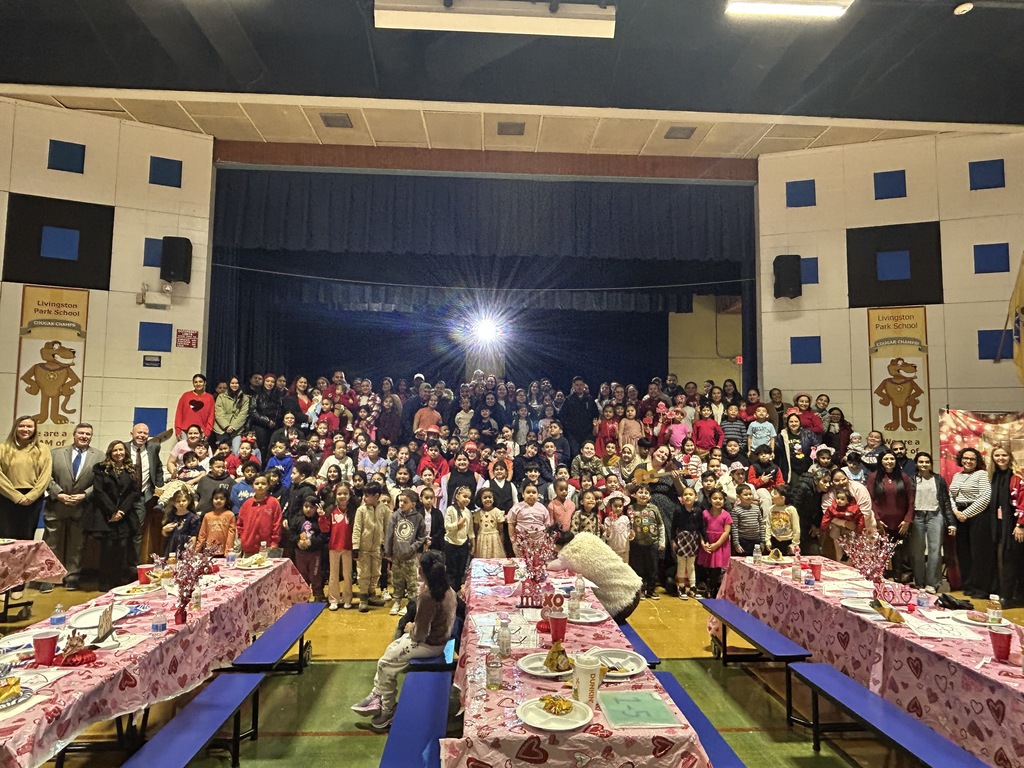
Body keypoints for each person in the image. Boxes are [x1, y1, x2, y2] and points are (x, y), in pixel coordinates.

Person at [351, 550, 457, 731]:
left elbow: (420, 633)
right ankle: (377, 694)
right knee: (392, 648)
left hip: (430, 645)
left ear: (422, 571)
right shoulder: (448, 590)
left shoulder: (428, 595)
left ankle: (387, 709)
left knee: (385, 663)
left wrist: (410, 628)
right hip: (438, 640)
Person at [44, 422, 103, 591]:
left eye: (88, 434)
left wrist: (85, 495)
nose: (84, 436)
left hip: (81, 507)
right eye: (81, 433)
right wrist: (58, 493)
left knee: (77, 545)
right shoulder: (55, 453)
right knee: (51, 543)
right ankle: (49, 577)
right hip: (56, 505)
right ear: (74, 434)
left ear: (91, 437)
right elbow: (46, 477)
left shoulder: (99, 456)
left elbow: (100, 481)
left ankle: (72, 577)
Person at [0, 416, 52, 599]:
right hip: (7, 499)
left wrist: (31, 496)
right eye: (22, 426)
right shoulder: (4, 448)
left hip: (32, 500)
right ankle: (4, 584)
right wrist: (15, 496)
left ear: (34, 429)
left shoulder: (42, 449)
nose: (26, 429)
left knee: (25, 542)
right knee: (7, 544)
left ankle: (19, 584)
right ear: (16, 427)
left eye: (29, 426)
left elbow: (45, 476)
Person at [548, 528, 643, 623]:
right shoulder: (585, 536)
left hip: (622, 602)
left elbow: (550, 566)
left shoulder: (568, 555)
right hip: (634, 584)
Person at [84, 440, 140, 591]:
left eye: (121, 450)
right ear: (110, 452)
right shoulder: (101, 468)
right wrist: (113, 511)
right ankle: (105, 582)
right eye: (115, 450)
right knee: (107, 549)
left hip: (125, 516)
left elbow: (134, 492)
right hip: (106, 515)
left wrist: (121, 511)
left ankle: (118, 581)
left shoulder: (131, 469)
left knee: (122, 549)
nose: (118, 453)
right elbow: (99, 491)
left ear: (125, 452)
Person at [949, 447, 992, 598]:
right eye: (965, 458)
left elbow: (985, 497)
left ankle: (980, 588)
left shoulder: (981, 474)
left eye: (972, 459)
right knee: (963, 552)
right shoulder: (957, 475)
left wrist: (966, 514)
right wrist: (955, 512)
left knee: (978, 552)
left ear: (977, 461)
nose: (968, 461)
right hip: (960, 515)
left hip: (978, 516)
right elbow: (951, 495)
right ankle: (967, 585)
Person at [910, 452, 955, 592]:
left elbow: (945, 501)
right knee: (917, 551)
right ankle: (919, 582)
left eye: (927, 462)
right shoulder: (911, 479)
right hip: (917, 516)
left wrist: (951, 522)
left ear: (931, 463)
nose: (924, 464)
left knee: (935, 550)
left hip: (935, 515)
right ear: (916, 464)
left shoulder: (938, 479)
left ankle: (932, 583)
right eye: (921, 462)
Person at [988, 446, 1024, 607]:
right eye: (997, 455)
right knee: (1006, 560)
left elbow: (1022, 501)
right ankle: (1008, 594)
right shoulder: (995, 476)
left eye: (1004, 455)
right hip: (1002, 525)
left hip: (1016, 525)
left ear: (1010, 457)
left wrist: (1021, 525)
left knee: (1012, 561)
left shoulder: (1017, 476)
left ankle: (1010, 596)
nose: (1000, 458)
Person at [385, 489, 427, 615]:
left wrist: (412, 548)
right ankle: (397, 601)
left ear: (413, 503)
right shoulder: (395, 516)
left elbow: (421, 537)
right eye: (400, 501)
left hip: (410, 556)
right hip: (396, 555)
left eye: (405, 501)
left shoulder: (418, 518)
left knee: (411, 582)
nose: (401, 504)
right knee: (397, 580)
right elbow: (389, 535)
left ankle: (410, 604)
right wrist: (388, 551)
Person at [353, 482, 390, 612]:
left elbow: (387, 528)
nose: (365, 498)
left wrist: (386, 545)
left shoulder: (384, 510)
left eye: (368, 495)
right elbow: (357, 529)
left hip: (377, 548)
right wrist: (355, 547)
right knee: (363, 573)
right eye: (364, 495)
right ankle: (363, 597)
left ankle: (371, 593)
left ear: (377, 496)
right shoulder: (361, 510)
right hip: (363, 548)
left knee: (376, 572)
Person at [322, 483, 356, 610]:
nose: (342, 496)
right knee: (333, 575)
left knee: (347, 575)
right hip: (334, 547)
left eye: (345, 493)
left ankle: (347, 598)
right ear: (335, 495)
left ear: (350, 495)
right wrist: (321, 517)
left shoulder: (353, 511)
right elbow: (325, 529)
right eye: (340, 493)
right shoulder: (331, 511)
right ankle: (333, 599)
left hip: (348, 547)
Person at [236, 475, 283, 556]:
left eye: (263, 483)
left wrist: (274, 542)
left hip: (267, 547)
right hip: (248, 547)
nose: (260, 486)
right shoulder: (247, 504)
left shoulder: (273, 503)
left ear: (268, 486)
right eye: (257, 483)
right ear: (252, 486)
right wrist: (243, 538)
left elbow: (277, 524)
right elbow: (240, 524)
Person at [698, 489, 732, 597]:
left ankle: (712, 590)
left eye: (720, 499)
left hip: (720, 544)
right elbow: (700, 529)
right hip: (707, 543)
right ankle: (706, 587)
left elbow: (726, 532)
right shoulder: (704, 513)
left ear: (724, 500)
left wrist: (717, 544)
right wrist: (703, 543)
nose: (718, 501)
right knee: (706, 567)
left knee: (716, 569)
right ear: (709, 499)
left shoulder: (726, 515)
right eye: (715, 498)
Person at [672, 486, 703, 599]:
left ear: (695, 497)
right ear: (682, 498)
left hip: (693, 539)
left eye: (690, 494)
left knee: (691, 564)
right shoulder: (678, 510)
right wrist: (673, 541)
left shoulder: (698, 511)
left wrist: (705, 540)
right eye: (685, 494)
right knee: (681, 563)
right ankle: (681, 587)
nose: (688, 496)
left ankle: (693, 587)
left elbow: (701, 527)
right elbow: (673, 527)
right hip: (681, 539)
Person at [213, 376, 251, 451]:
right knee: (222, 452)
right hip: (221, 430)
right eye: (232, 383)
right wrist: (227, 426)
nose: (234, 385)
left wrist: (233, 427)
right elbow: (219, 413)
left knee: (236, 452)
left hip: (237, 430)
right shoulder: (221, 397)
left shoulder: (245, 398)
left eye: (236, 383)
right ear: (229, 384)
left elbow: (243, 415)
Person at [174, 374, 215, 439]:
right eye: (196, 382)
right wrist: (178, 430)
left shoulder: (210, 398)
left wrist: (208, 431)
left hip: (201, 432)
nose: (198, 384)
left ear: (205, 383)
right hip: (185, 431)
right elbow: (179, 414)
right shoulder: (186, 396)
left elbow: (211, 416)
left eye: (200, 382)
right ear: (193, 384)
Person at [197, 488, 236, 555]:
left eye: (221, 498)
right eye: (216, 498)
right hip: (209, 552)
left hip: (224, 552)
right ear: (212, 499)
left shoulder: (230, 515)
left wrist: (228, 551)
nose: (218, 501)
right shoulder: (207, 516)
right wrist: (196, 550)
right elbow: (202, 534)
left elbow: (231, 535)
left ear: (226, 500)